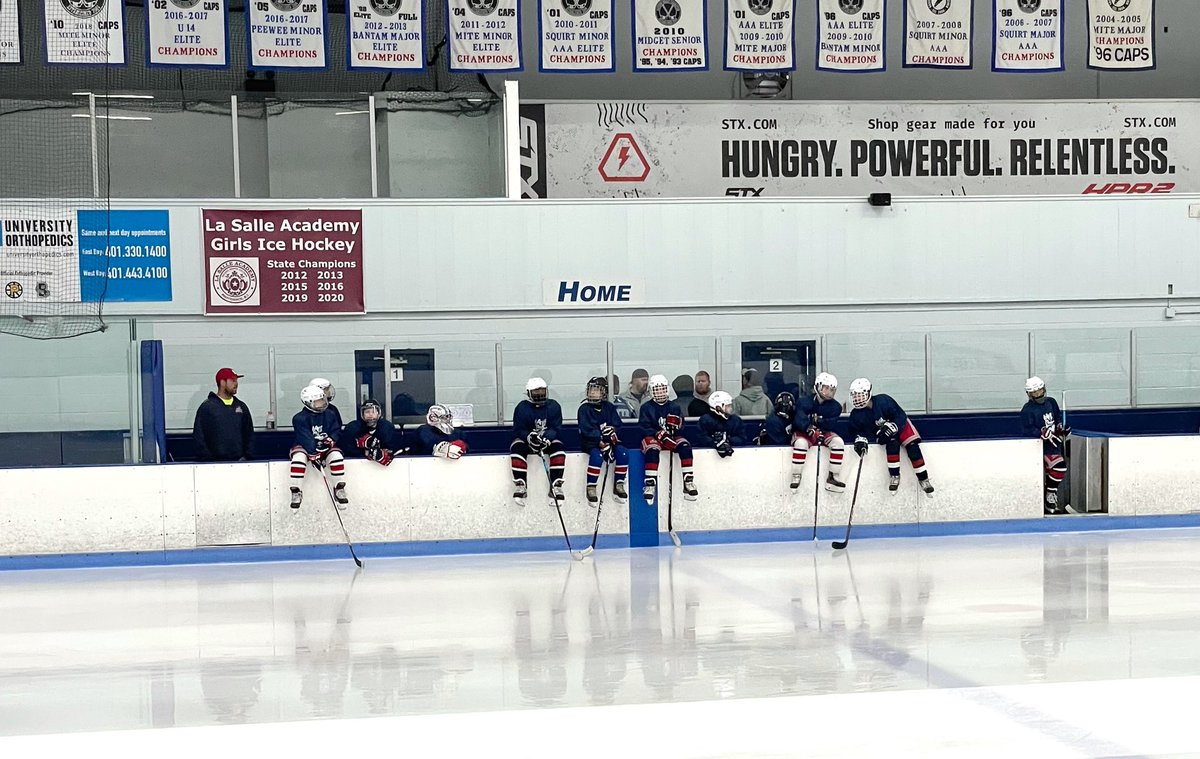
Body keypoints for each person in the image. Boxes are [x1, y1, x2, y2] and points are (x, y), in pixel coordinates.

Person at [847, 378, 934, 496]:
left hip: (902, 426)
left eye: (860, 395)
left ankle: (923, 479)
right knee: (892, 446)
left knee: (913, 448)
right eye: (855, 395)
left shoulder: (884, 401)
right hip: (885, 432)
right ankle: (894, 476)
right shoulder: (856, 415)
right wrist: (860, 439)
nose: (857, 398)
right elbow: (857, 430)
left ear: (868, 393)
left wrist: (894, 426)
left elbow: (900, 415)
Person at [639, 374, 698, 501]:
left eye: (662, 389)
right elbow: (644, 427)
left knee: (685, 446)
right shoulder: (646, 408)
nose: (660, 392)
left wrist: (677, 427)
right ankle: (650, 484)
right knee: (652, 450)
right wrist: (658, 434)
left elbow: (681, 425)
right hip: (653, 436)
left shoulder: (674, 406)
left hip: (671, 436)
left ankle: (688, 481)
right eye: (657, 389)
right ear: (651, 391)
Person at [289, 384, 347, 509]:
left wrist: (330, 441)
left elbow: (336, 430)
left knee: (336, 456)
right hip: (306, 447)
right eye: (317, 401)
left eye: (322, 400)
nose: (322, 403)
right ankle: (296, 490)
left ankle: (339, 488)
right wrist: (314, 453)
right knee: (298, 459)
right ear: (308, 402)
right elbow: (305, 437)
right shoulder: (299, 418)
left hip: (325, 445)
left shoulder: (330, 414)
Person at [510, 377, 566, 506]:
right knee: (517, 449)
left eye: (542, 391)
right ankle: (520, 484)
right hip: (528, 441)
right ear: (528, 393)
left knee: (559, 450)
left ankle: (556, 485)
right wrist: (529, 437)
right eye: (536, 392)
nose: (540, 394)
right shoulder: (522, 407)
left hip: (546, 440)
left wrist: (547, 438)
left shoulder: (554, 406)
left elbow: (556, 427)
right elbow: (518, 429)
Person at [1021, 376, 1070, 515]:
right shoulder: (1027, 410)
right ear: (1029, 394)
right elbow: (1026, 429)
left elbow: (1057, 418)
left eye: (1040, 391)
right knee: (1054, 469)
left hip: (1054, 444)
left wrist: (1061, 428)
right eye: (1034, 393)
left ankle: (1050, 495)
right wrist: (1040, 432)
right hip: (1038, 448)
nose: (1038, 395)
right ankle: (1048, 496)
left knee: (1058, 469)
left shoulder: (1051, 402)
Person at [577, 377, 629, 505]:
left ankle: (619, 483)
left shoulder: (609, 407)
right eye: (591, 390)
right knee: (597, 456)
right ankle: (591, 486)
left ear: (604, 392)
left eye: (596, 390)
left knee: (623, 453)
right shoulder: (584, 409)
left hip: (608, 441)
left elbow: (617, 424)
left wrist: (612, 431)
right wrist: (600, 441)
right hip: (591, 442)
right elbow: (586, 430)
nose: (592, 393)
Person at [793, 372, 845, 492]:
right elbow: (798, 419)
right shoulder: (803, 401)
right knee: (800, 444)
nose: (829, 391)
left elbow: (830, 424)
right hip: (804, 432)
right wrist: (808, 427)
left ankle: (833, 476)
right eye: (826, 388)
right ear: (818, 386)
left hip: (824, 432)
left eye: (832, 389)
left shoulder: (836, 407)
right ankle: (796, 475)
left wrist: (817, 423)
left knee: (838, 442)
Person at [192, 367, 254, 462]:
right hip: (214, 466)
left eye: (236, 380)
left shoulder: (242, 407)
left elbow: (249, 435)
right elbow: (199, 437)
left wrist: (247, 457)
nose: (236, 384)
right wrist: (208, 461)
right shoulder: (207, 408)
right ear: (222, 382)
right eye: (233, 380)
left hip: (240, 465)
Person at [340, 399, 406, 466]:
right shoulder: (353, 428)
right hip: (358, 466)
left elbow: (392, 448)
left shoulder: (386, 427)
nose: (370, 414)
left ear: (378, 413)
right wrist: (365, 452)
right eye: (367, 412)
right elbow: (346, 449)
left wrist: (382, 452)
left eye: (373, 411)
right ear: (362, 414)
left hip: (382, 469)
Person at [697, 391, 746, 458]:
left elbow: (742, 438)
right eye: (728, 406)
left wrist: (728, 440)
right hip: (709, 458)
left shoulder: (736, 420)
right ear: (718, 407)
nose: (731, 408)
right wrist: (715, 442)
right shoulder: (705, 420)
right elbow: (701, 438)